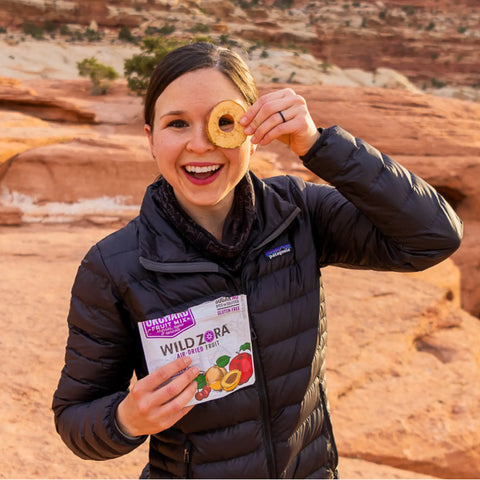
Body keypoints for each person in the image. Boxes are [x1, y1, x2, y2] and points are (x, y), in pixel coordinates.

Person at [52, 42, 463, 479]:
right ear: (150, 139)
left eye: (222, 121)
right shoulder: (115, 266)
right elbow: (75, 416)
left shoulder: (298, 213)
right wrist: (127, 419)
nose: (200, 144)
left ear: (252, 127)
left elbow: (433, 236)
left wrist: (317, 143)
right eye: (176, 123)